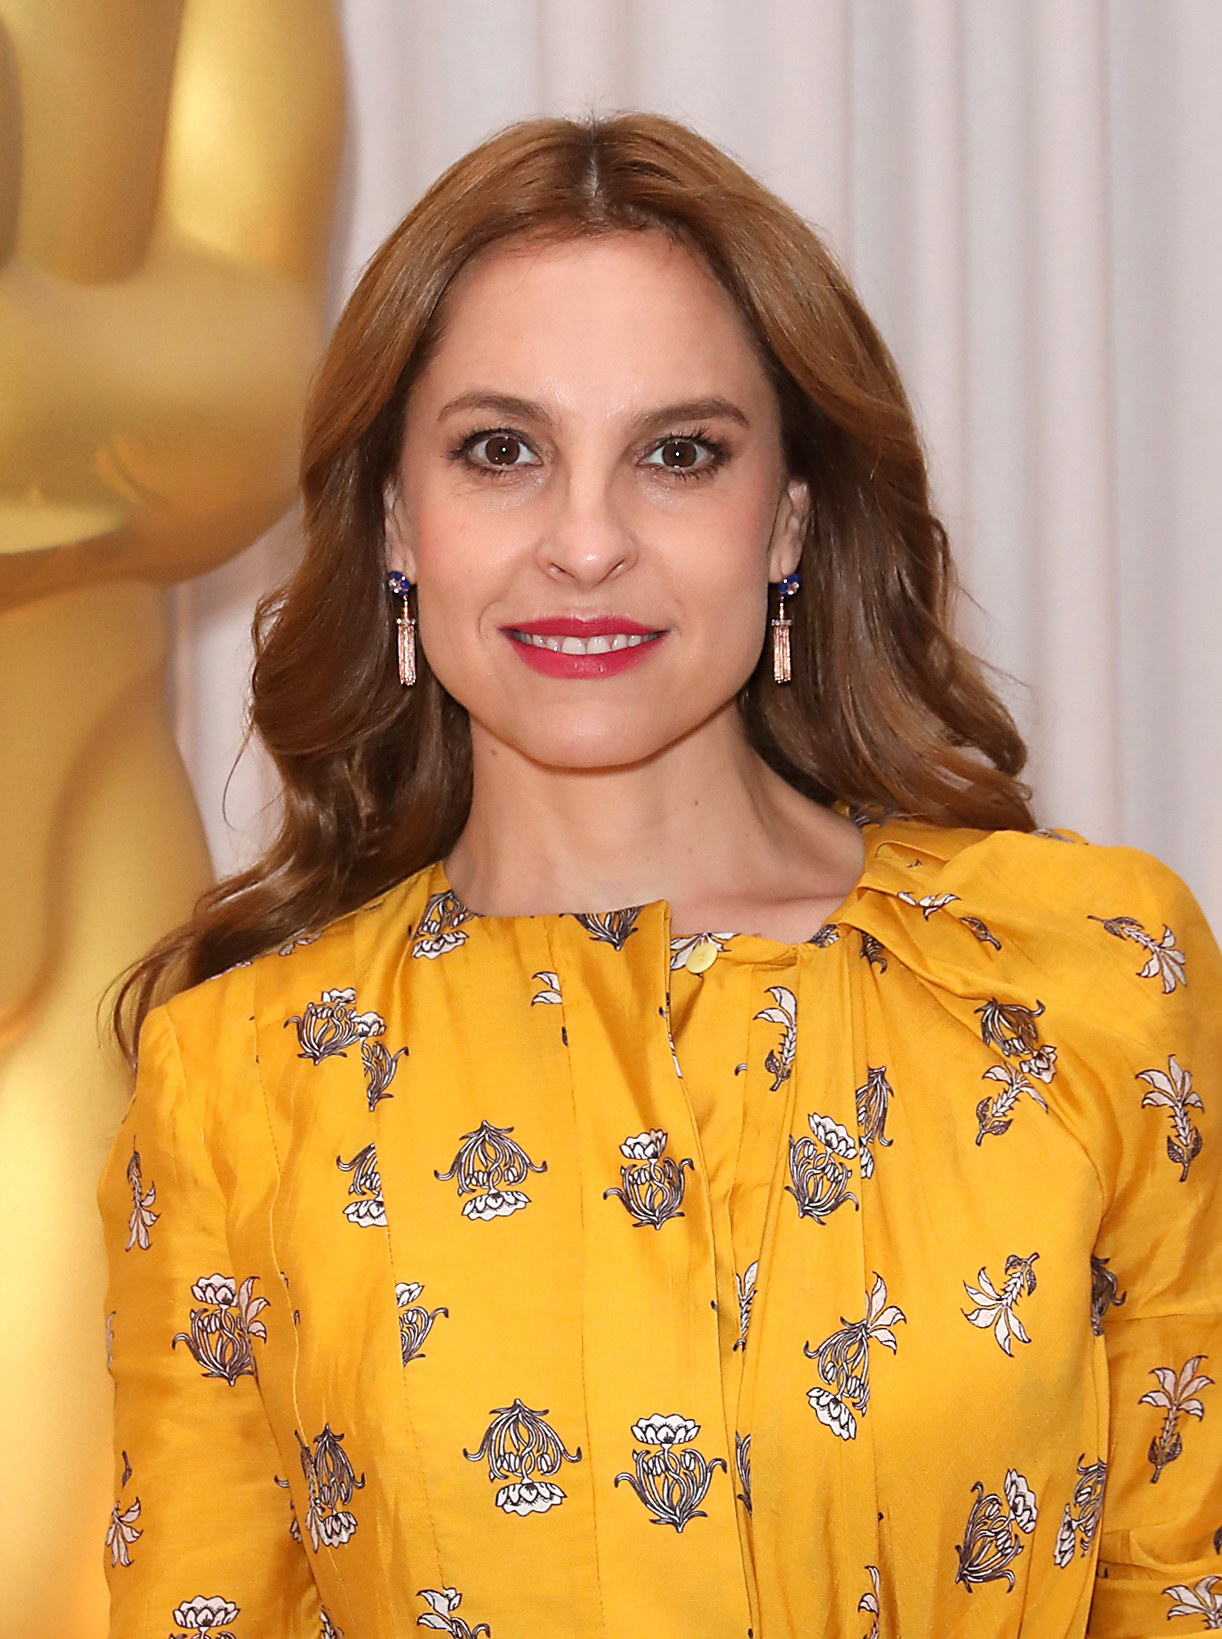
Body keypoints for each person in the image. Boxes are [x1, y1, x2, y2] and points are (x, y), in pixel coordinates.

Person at [101, 114, 1220, 1639]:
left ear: (788, 525)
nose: (586, 543)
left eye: (677, 455)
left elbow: (1181, 1578)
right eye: (502, 451)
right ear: (394, 522)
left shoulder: (1085, 978)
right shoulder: (242, 1081)